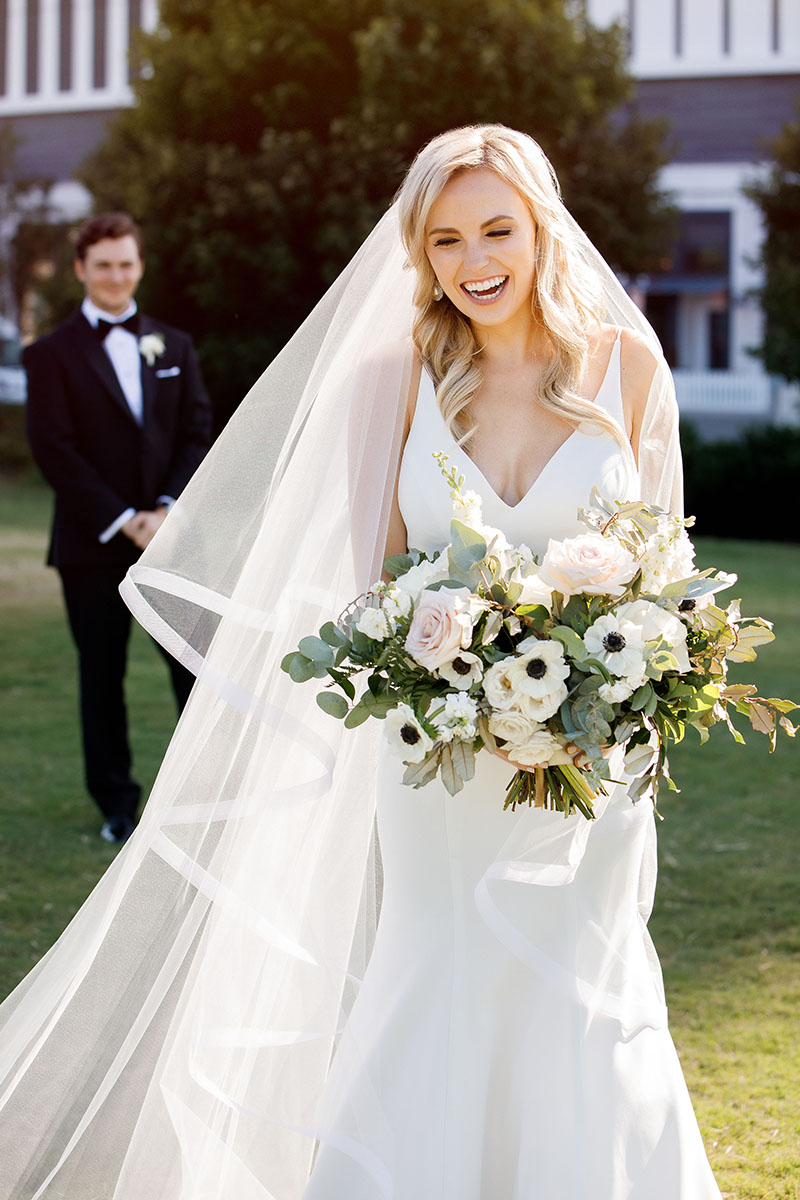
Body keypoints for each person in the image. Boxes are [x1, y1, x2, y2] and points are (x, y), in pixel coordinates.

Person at [0, 128, 721, 1198]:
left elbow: (662, 570)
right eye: (442, 240)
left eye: (495, 230)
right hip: (439, 762)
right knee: (433, 977)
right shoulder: (391, 381)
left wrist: (608, 690)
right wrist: (465, 680)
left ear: (539, 229)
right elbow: (372, 587)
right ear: (417, 255)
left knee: (579, 987)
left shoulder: (625, 367)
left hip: (585, 770)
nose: (473, 259)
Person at [24, 212, 213, 844]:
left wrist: (163, 510)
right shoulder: (49, 355)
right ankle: (116, 806)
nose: (115, 275)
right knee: (100, 679)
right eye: (102, 264)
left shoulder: (174, 345)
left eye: (125, 263)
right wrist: (122, 520)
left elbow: (196, 434)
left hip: (171, 539)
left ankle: (200, 791)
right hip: (91, 545)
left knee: (193, 665)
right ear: (81, 269)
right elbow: (54, 449)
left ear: (139, 265)